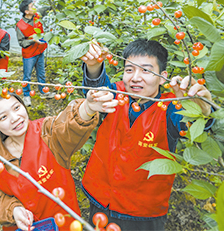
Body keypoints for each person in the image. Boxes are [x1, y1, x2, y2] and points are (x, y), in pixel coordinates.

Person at [79, 39, 213, 231]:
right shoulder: (117, 94)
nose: (135, 78)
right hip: (101, 196)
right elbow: (98, 90)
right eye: (129, 70)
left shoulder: (170, 108)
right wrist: (94, 66)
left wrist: (201, 111)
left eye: (146, 70)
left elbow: (191, 126)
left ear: (162, 77)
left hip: (141, 212)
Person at [0, 90, 118, 231]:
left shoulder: (47, 133)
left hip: (63, 224)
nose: (15, 118)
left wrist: (88, 108)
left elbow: (67, 127)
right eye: (3, 117)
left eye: (16, 107)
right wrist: (13, 210)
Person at [16, 0, 54, 107]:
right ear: (26, 11)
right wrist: (33, 40)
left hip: (40, 50)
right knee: (27, 76)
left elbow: (46, 8)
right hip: (29, 54)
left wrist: (53, 2)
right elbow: (21, 42)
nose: (34, 7)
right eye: (32, 6)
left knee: (41, 73)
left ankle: (43, 92)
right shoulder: (20, 26)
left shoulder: (37, 16)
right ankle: (26, 95)